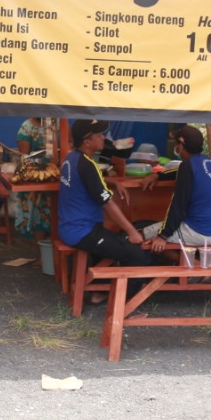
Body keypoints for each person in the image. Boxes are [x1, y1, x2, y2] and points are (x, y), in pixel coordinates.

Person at [58, 119, 155, 302]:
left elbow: (88, 179)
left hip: (71, 227)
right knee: (136, 254)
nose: (103, 138)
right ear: (87, 142)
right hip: (82, 232)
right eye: (99, 135)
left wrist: (112, 181)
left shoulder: (72, 158)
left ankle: (98, 293)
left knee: (111, 238)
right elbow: (108, 205)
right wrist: (132, 232)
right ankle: (124, 306)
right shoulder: (86, 165)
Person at [140, 126, 211, 254]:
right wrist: (158, 175)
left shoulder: (188, 166)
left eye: (176, 143)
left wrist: (163, 236)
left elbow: (178, 206)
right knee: (171, 234)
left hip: (202, 232)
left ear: (181, 146)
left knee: (144, 237)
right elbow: (180, 172)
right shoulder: (209, 162)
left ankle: (195, 265)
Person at [13, 117, 50, 239]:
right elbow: (25, 158)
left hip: (54, 173)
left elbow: (69, 143)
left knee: (53, 212)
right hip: (34, 175)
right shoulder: (27, 127)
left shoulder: (56, 124)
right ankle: (41, 252)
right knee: (38, 212)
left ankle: (52, 253)